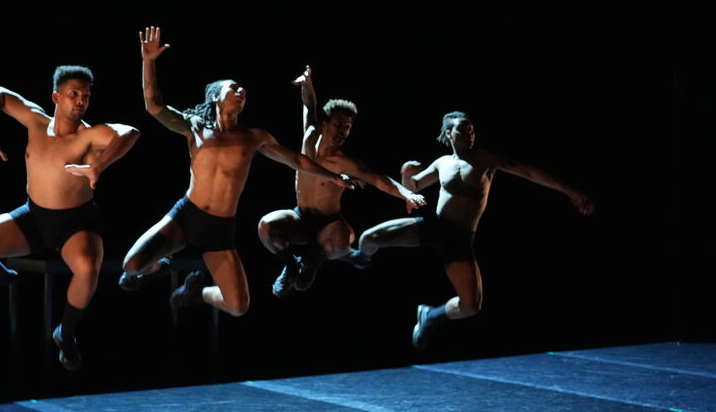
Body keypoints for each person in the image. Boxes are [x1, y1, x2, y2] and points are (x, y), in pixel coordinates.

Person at [118, 27, 360, 317]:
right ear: (217, 98)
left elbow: (296, 160)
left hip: (219, 228)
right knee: (131, 266)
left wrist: (332, 176)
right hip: (187, 215)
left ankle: (198, 293)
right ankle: (158, 266)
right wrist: (149, 61)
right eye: (234, 88)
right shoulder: (194, 127)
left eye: (243, 90)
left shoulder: (253, 136)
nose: (241, 92)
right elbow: (154, 105)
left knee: (238, 306)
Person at [349, 111, 595, 349]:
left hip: (459, 238)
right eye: (463, 129)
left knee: (470, 306)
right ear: (449, 133)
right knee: (368, 238)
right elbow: (412, 191)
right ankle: (358, 261)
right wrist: (406, 173)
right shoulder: (442, 163)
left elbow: (528, 171)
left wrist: (570, 191)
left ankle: (431, 316)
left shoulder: (485, 160)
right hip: (435, 227)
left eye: (472, 129)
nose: (469, 133)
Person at [0, 65, 140, 371]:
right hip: (34, 217)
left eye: (86, 96)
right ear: (56, 96)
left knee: (88, 268)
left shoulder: (90, 135)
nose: (80, 101)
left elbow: (129, 133)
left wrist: (98, 166)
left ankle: (65, 333)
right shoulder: (36, 121)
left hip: (76, 224)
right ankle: (0, 275)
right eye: (73, 94)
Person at [257, 65, 426, 297]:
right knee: (266, 227)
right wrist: (307, 84)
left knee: (344, 238)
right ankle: (291, 264)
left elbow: (379, 179)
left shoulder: (345, 162)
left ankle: (315, 258)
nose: (342, 132)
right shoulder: (310, 136)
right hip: (300, 217)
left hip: (328, 224)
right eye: (338, 125)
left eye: (347, 128)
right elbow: (310, 106)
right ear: (325, 124)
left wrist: (407, 194)